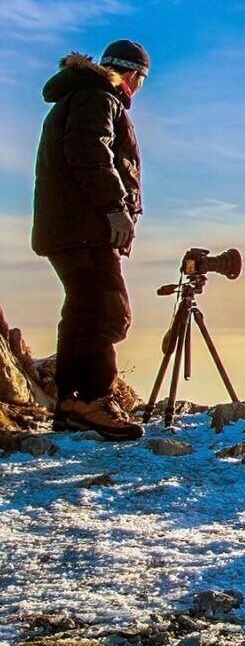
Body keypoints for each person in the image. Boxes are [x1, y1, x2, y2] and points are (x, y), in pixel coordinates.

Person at [32, 41, 150, 441]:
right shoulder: (97, 97)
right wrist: (116, 207)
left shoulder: (81, 95)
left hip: (67, 228)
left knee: (82, 313)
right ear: (133, 74)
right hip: (85, 229)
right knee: (108, 311)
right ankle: (95, 400)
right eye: (141, 79)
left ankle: (71, 404)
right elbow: (90, 152)